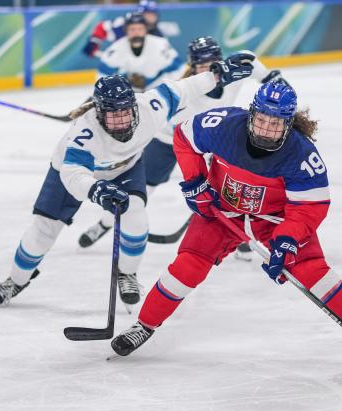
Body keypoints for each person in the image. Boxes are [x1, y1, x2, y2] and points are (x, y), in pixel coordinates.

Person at [109, 81, 342, 368]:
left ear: (288, 124)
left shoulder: (302, 156)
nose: (266, 130)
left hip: (274, 220)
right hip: (220, 211)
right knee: (188, 266)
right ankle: (144, 326)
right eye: (261, 120)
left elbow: (309, 208)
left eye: (275, 124)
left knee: (313, 270)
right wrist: (195, 182)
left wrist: (287, 240)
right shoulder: (222, 126)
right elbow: (184, 138)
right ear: (251, 115)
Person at [0, 57, 255, 307]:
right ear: (99, 112)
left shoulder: (151, 106)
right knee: (44, 229)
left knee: (136, 216)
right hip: (73, 174)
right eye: (113, 115)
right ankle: (16, 281)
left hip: (126, 168)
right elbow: (72, 174)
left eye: (125, 113)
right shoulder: (85, 132)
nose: (121, 121)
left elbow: (185, 87)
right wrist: (94, 189)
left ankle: (127, 274)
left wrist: (217, 76)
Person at [78, 36, 289, 262]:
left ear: (219, 61)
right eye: (201, 64)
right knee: (139, 192)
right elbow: (150, 108)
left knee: (232, 189)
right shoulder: (185, 92)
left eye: (211, 62)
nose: (206, 68)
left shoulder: (231, 75)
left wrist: (271, 77)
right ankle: (104, 224)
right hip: (168, 140)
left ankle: (241, 238)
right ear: (192, 65)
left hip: (209, 142)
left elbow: (250, 58)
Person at [97, 12, 182, 92]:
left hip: (157, 91)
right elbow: (103, 72)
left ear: (146, 30)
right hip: (127, 94)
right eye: (132, 29)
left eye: (140, 29)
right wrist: (123, 83)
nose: (136, 33)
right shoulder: (117, 47)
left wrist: (154, 83)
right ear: (126, 30)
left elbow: (177, 68)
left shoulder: (161, 44)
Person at [82, 0, 163, 58]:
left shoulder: (158, 35)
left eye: (154, 15)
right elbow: (102, 27)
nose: (151, 19)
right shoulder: (122, 24)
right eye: (148, 14)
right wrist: (94, 41)